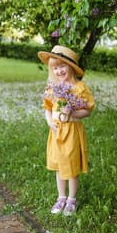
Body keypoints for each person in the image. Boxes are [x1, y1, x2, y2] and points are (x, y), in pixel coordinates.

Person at [38, 45, 94, 216]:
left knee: (71, 164)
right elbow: (47, 107)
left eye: (62, 66)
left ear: (71, 67)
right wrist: (49, 122)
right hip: (56, 131)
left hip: (71, 130)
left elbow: (88, 110)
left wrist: (72, 111)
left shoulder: (79, 87)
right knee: (58, 165)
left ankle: (71, 200)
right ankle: (61, 197)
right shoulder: (52, 87)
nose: (59, 71)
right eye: (55, 68)